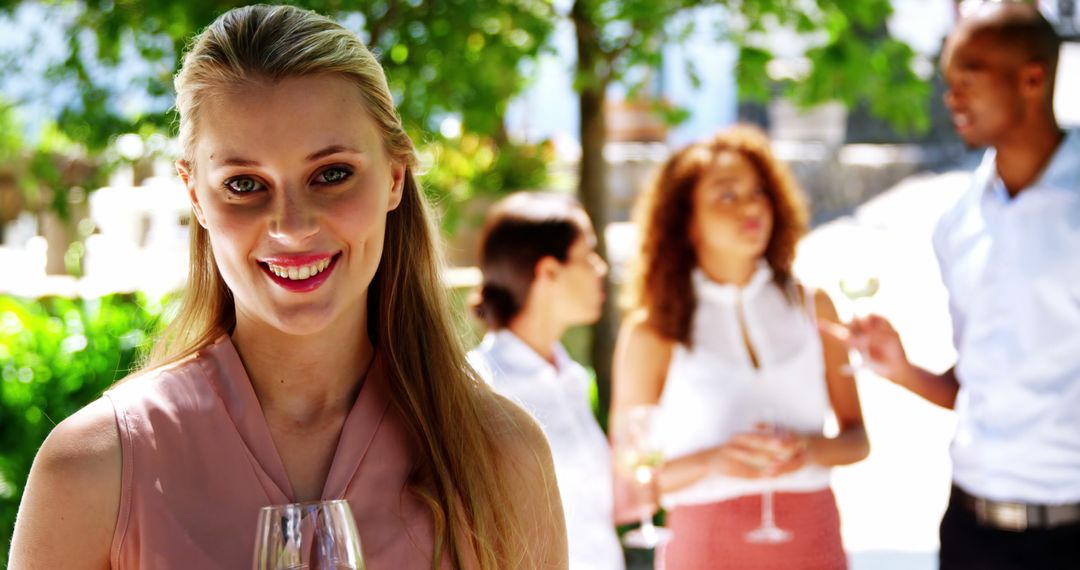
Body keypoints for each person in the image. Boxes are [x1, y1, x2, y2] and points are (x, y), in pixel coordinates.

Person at [8, 5, 567, 569]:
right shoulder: (92, 470)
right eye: (244, 184)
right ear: (195, 195)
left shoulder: (502, 455)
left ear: (395, 176)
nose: (292, 226)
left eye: (331, 174)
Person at [836, 2, 1080, 568]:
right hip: (971, 529)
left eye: (967, 79)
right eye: (947, 82)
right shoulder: (958, 220)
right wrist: (899, 369)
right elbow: (972, 385)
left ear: (1032, 78)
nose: (951, 98)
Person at [611, 125, 869, 569]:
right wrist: (713, 461)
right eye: (727, 195)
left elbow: (857, 439)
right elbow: (630, 477)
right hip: (705, 546)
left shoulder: (814, 306)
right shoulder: (653, 331)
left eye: (758, 192)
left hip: (814, 538)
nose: (751, 206)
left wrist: (808, 452)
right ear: (685, 220)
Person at [468, 192, 624, 570]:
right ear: (549, 272)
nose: (602, 269)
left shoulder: (569, 375)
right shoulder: (481, 386)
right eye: (589, 255)